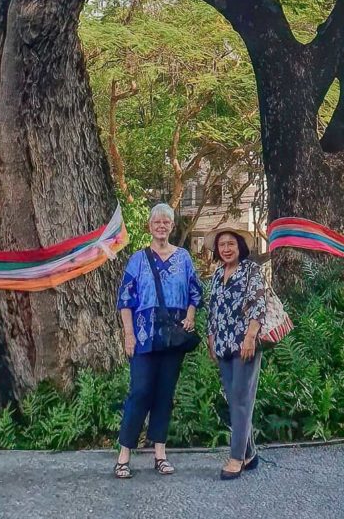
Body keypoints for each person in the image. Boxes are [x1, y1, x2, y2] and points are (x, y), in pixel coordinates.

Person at [114, 202, 202, 479]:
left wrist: (191, 316)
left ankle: (160, 453)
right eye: (157, 222)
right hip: (142, 336)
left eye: (166, 222)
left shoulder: (184, 257)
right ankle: (124, 454)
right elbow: (125, 300)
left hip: (172, 338)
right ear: (149, 227)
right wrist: (128, 334)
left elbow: (194, 292)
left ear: (172, 227)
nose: (161, 226)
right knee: (139, 391)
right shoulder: (138, 259)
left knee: (165, 393)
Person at [206, 223, 266, 480]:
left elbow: (258, 303)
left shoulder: (252, 270)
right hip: (222, 345)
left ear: (239, 247)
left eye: (231, 244)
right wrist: (210, 338)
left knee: (241, 400)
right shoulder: (218, 274)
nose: (227, 248)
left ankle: (236, 458)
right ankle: (250, 452)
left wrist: (251, 336)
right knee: (234, 400)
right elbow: (213, 309)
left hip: (244, 345)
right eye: (222, 245)